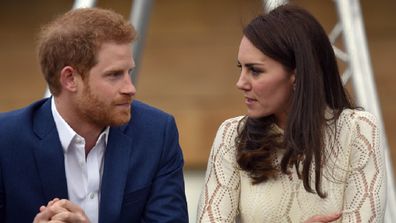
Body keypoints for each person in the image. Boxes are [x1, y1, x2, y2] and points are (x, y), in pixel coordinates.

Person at [197, 4, 386, 223]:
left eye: (255, 70)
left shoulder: (358, 131)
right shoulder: (232, 135)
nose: (240, 83)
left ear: (296, 75)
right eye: (241, 68)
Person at [0, 8, 188, 222]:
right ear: (70, 79)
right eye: (114, 75)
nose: (130, 88)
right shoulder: (5, 140)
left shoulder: (156, 133)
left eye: (129, 72)